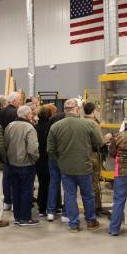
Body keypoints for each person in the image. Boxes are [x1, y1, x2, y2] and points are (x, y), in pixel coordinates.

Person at [47, 99, 103, 233]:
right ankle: (91, 221)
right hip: (84, 166)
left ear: (65, 110)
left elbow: (50, 150)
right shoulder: (88, 124)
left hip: (66, 167)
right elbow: (99, 142)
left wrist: (59, 160)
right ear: (77, 110)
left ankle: (73, 224)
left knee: (69, 195)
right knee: (88, 195)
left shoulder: (55, 126)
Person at [4, 105, 39, 226]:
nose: (32, 115)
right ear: (27, 115)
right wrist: (35, 159)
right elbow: (33, 148)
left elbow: (6, 144)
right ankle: (25, 218)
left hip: (12, 164)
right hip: (26, 164)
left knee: (16, 191)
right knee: (26, 191)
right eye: (31, 114)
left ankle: (18, 217)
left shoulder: (10, 126)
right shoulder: (29, 128)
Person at [0, 91, 22, 211]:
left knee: (6, 176)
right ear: (13, 101)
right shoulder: (15, 113)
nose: (20, 102)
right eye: (18, 100)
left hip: (3, 145)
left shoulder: (0, 112)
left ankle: (7, 201)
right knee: (16, 176)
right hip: (14, 146)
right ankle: (15, 201)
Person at [46, 104, 66, 221]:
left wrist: (52, 156)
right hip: (66, 158)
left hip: (53, 158)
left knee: (53, 184)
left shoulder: (53, 123)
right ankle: (66, 213)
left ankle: (51, 211)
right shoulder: (69, 124)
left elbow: (49, 144)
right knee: (68, 186)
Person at [83, 102, 104, 214]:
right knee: (94, 182)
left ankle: (90, 206)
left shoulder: (81, 122)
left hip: (83, 154)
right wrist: (107, 138)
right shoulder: (93, 124)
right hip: (93, 155)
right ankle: (96, 207)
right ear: (93, 111)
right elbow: (100, 142)